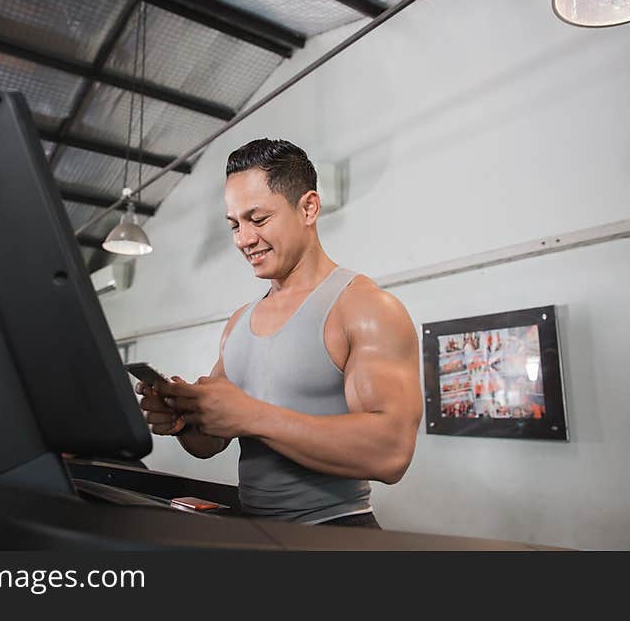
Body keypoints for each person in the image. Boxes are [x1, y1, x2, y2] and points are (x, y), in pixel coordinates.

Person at [137, 138, 423, 529]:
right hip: (256, 529)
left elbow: (391, 452)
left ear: (308, 207)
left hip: (336, 532)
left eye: (258, 219)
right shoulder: (239, 322)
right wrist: (184, 419)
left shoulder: (364, 308)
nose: (243, 239)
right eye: (235, 224)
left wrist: (252, 415)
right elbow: (212, 441)